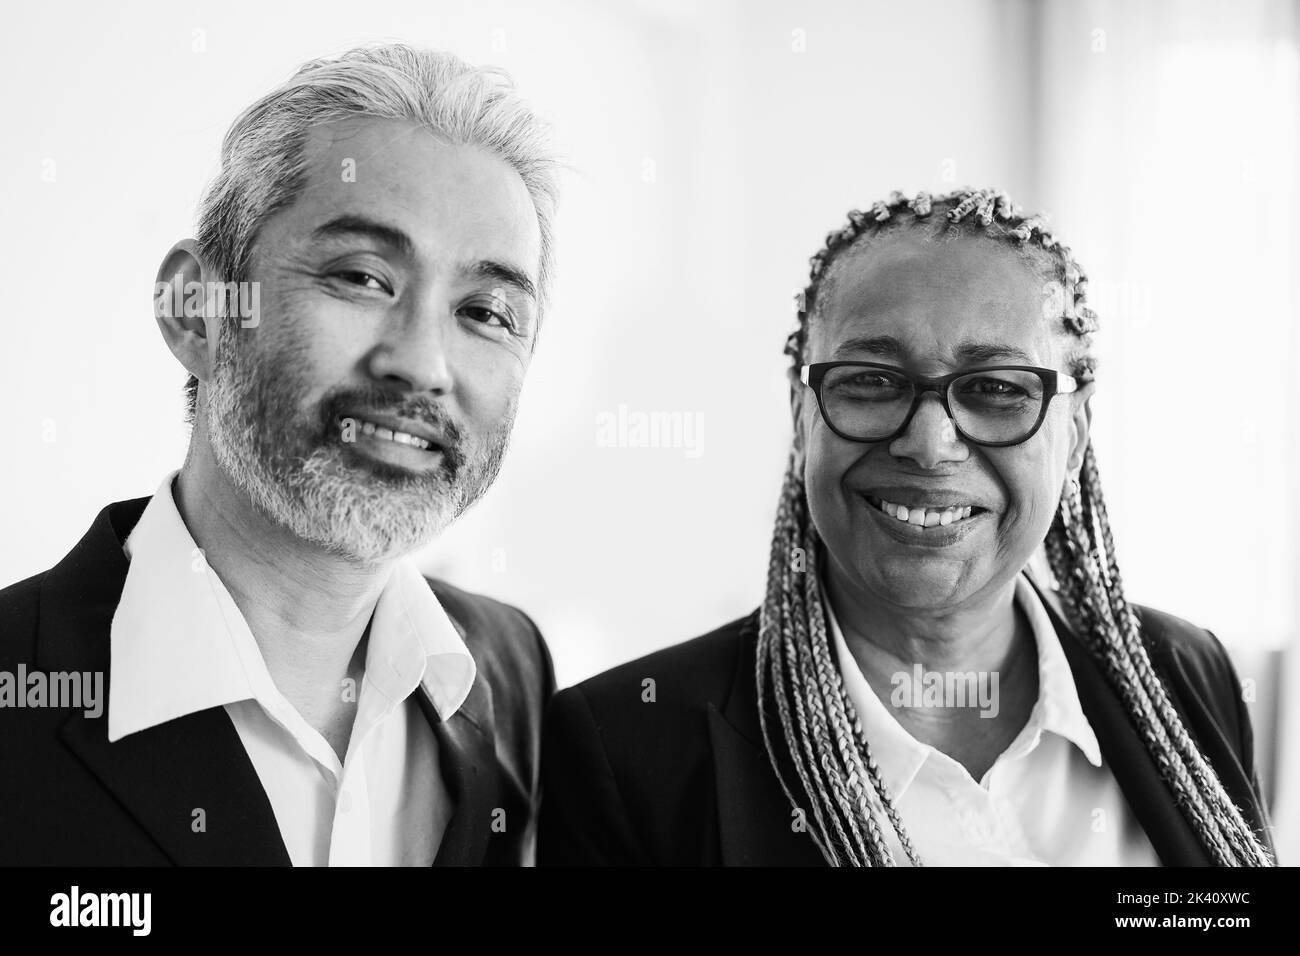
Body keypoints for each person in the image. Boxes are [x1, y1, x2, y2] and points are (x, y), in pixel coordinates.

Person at [540, 187, 1275, 867]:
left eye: (995, 389)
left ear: (1075, 432)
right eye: (871, 381)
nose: (929, 443)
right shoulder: (626, 746)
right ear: (801, 420)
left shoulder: (1185, 675)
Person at [0, 43, 558, 866]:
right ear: (198, 312)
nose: (423, 365)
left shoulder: (515, 674)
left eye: (484, 311)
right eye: (363, 278)